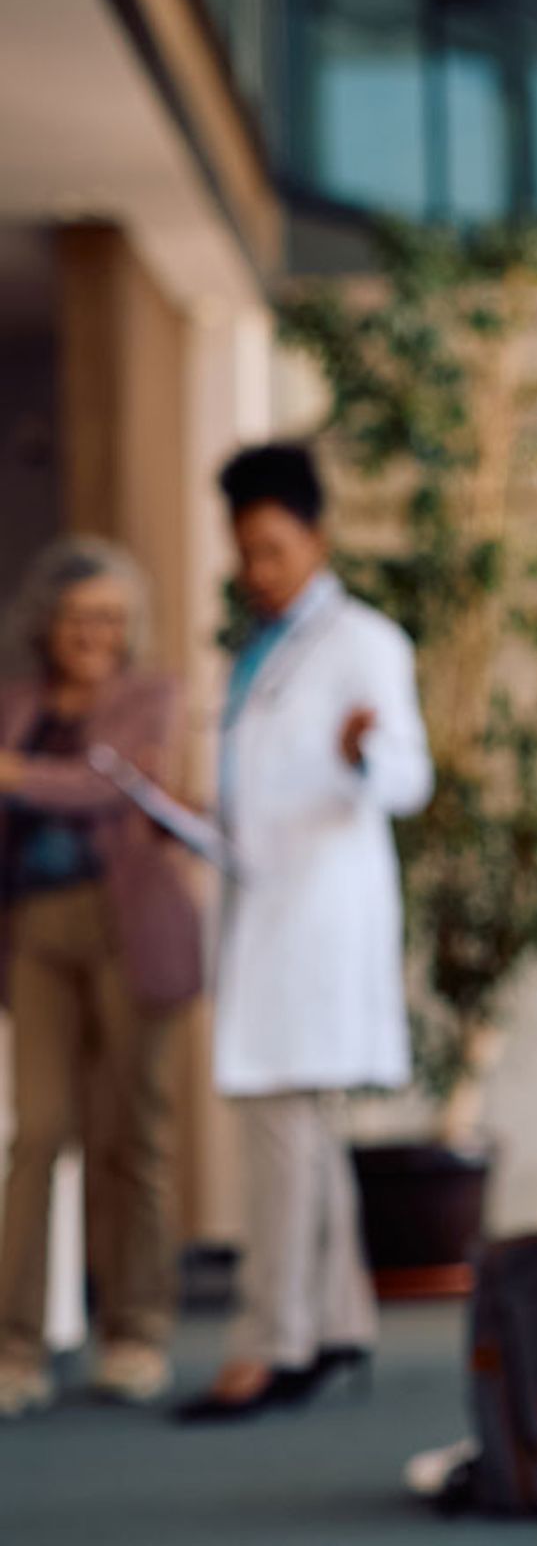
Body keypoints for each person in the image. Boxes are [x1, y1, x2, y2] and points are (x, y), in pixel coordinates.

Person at [177, 441, 432, 1422]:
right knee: (303, 1132)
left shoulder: (364, 641)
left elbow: (409, 779)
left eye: (275, 548)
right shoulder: (258, 648)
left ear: (319, 537)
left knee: (282, 1130)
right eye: (246, 551)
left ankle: (269, 1344)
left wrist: (368, 751)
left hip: (319, 914)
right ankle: (338, 1324)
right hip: (265, 897)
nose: (258, 570)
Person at [0, 539, 201, 1418]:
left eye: (113, 618)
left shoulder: (152, 696)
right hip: (37, 929)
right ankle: (15, 1345)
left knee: (131, 1130)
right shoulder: (16, 702)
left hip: (130, 929)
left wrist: (10, 774)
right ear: (49, 621)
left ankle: (136, 1331)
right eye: (82, 616)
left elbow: (105, 786)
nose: (97, 634)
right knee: (36, 1132)